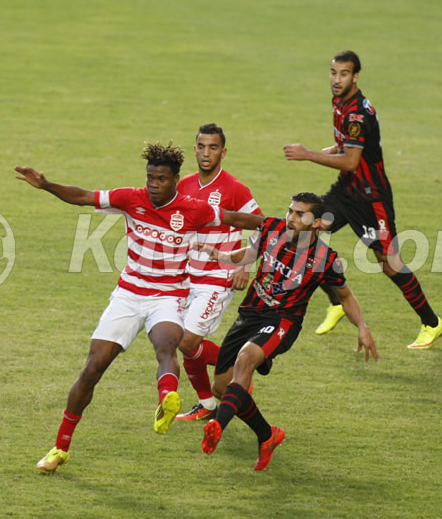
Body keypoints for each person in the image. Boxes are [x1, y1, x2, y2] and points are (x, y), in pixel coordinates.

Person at [14, 141, 264, 474]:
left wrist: (282, 227)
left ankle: (167, 399)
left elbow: (237, 217)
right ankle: (60, 448)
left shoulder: (194, 209)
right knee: (92, 368)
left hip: (168, 296)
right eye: (150, 178)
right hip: (128, 295)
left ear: (175, 180)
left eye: (161, 179)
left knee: (167, 346)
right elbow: (83, 196)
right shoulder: (130, 198)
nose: (154, 185)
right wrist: (46, 185)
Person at [197, 192, 377, 471]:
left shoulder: (326, 260)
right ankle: (267, 435)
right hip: (249, 314)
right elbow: (249, 254)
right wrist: (220, 255)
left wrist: (362, 327)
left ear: (316, 222)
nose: (291, 218)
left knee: (246, 359)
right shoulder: (271, 229)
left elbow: (345, 296)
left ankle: (217, 425)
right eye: (290, 211)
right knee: (221, 388)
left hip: (283, 321)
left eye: (299, 214)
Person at [283, 50, 442, 349]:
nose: (337, 79)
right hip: (346, 192)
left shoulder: (356, 113)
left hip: (371, 200)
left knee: (390, 264)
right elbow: (350, 145)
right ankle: (336, 303)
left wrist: (308, 154)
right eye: (333, 72)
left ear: (355, 77)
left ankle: (432, 323)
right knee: (303, 231)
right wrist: (333, 148)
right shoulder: (340, 101)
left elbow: (351, 161)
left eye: (344, 74)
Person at [173, 123, 263, 422]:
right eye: (201, 147)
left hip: (218, 277)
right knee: (181, 341)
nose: (206, 153)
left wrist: (244, 266)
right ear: (194, 149)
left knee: (187, 342)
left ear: (223, 152)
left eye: (213, 147)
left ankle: (240, 365)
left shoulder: (234, 188)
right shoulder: (183, 185)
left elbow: (262, 227)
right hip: (186, 275)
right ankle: (207, 404)